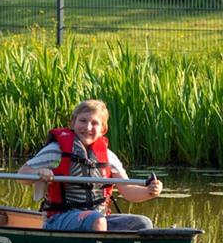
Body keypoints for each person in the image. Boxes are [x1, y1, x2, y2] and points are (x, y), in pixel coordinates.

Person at [18, 99, 163, 232]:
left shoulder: (108, 156)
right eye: (83, 121)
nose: (88, 127)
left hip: (98, 221)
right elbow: (22, 175)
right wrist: (39, 172)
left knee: (143, 224)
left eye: (94, 123)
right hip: (59, 219)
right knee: (97, 220)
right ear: (73, 123)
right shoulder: (56, 150)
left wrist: (150, 191)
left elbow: (128, 190)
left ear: (103, 130)